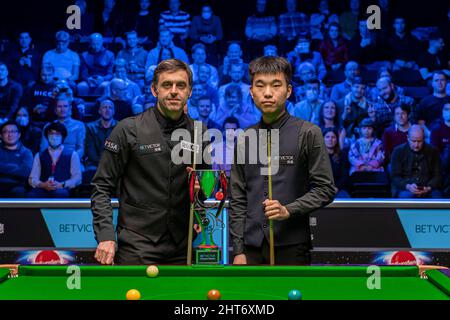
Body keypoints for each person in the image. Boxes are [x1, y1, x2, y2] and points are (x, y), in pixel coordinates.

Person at [91, 59, 210, 265]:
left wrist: (201, 191)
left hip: (184, 246)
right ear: (154, 90)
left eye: (181, 85)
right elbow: (101, 186)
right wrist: (106, 236)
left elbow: (203, 190)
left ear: (190, 91)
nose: (174, 91)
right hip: (138, 245)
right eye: (167, 85)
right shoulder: (127, 129)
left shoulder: (200, 132)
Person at [229, 56, 336, 265]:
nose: (268, 93)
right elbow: (238, 197)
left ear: (288, 91)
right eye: (260, 86)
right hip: (250, 248)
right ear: (251, 92)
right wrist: (238, 249)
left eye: (276, 85)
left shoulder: (308, 133)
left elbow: (326, 188)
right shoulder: (244, 137)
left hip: (292, 246)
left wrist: (289, 209)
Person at [28, 121, 82, 198]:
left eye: (57, 134)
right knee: (31, 195)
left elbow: (77, 178)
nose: (54, 136)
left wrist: (62, 184)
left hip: (63, 188)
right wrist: (42, 184)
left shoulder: (72, 154)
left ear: (63, 137)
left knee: (60, 194)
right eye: (51, 133)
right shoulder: (39, 155)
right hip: (43, 188)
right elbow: (32, 178)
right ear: (47, 136)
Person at [390, 125, 442, 198]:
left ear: (424, 139)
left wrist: (428, 187)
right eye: (413, 141)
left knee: (437, 197)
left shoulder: (433, 151)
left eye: (419, 141)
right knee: (408, 196)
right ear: (408, 138)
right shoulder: (398, 151)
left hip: (428, 188)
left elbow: (437, 176)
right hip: (405, 188)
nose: (416, 145)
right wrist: (408, 186)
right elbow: (395, 176)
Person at [40, 94, 86, 161]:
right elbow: (43, 149)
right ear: (55, 109)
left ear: (70, 108)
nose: (62, 109)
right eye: (59, 106)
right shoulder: (48, 126)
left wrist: (71, 160)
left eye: (65, 106)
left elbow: (81, 149)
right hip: (52, 161)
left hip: (73, 160)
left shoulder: (79, 126)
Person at [84, 99, 117, 183]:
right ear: (99, 111)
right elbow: (90, 151)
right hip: (94, 164)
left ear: (113, 111)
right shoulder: (90, 127)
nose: (107, 110)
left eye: (110, 108)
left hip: (114, 163)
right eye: (104, 107)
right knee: (91, 172)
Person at [0, 121, 33, 197]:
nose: (10, 134)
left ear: (19, 135)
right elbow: (19, 170)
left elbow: (25, 172)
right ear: (1, 135)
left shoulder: (26, 152)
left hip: (17, 185)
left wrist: (3, 167)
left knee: (19, 192)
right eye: (6, 132)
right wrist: (15, 166)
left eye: (13, 131)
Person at [323, 127, 350, 197]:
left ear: (337, 140)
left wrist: (337, 188)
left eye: (333, 137)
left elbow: (345, 176)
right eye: (327, 137)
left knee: (344, 197)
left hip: (338, 188)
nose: (330, 140)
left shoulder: (342, 155)